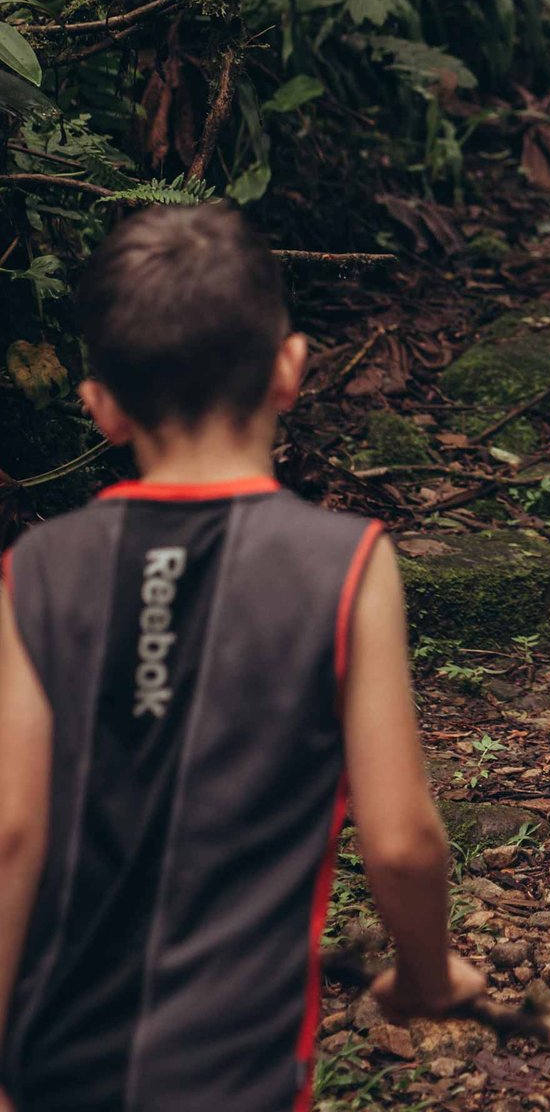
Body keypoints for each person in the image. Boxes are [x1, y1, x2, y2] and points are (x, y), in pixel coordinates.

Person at [0, 202, 486, 1112]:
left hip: (57, 1065)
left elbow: (10, 834)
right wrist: (428, 974)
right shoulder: (343, 566)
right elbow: (403, 841)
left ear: (100, 406)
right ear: (289, 370)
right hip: (235, 1074)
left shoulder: (35, 572)